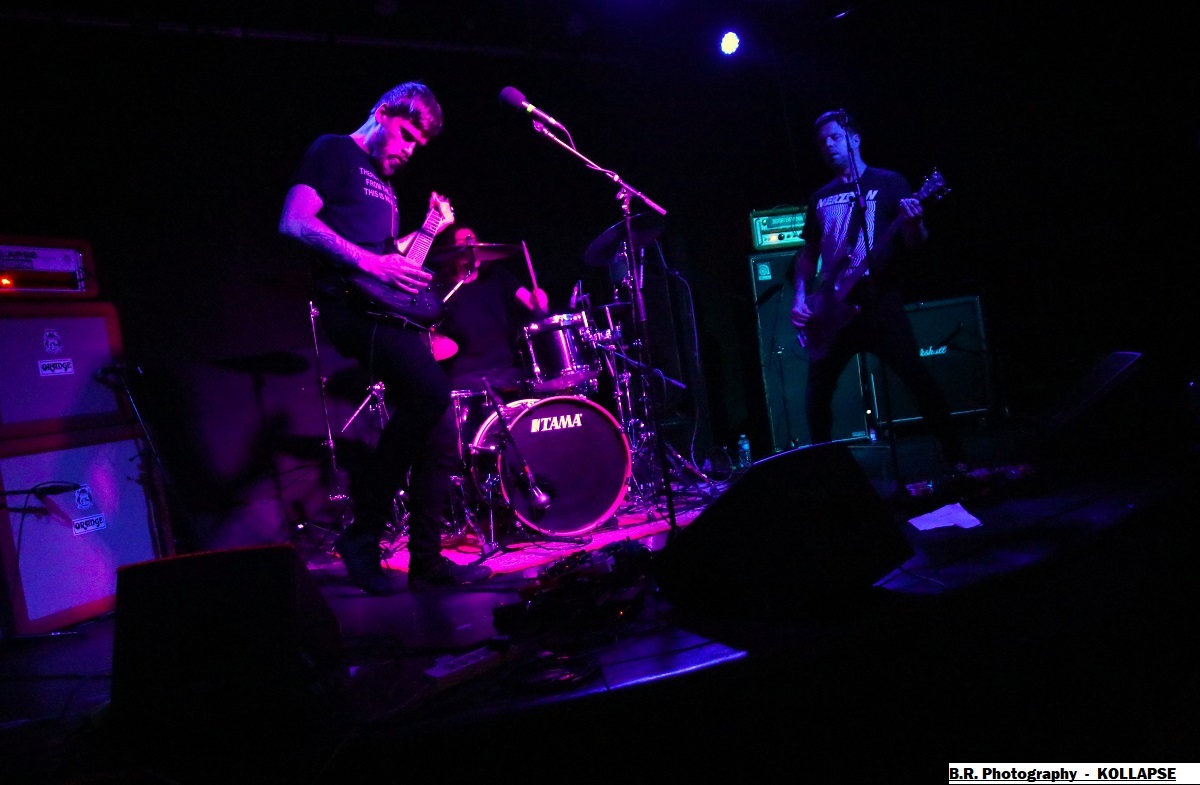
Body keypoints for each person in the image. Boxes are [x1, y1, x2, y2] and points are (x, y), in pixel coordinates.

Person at [278, 81, 492, 594]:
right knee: (430, 395)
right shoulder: (334, 151)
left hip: (387, 312)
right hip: (350, 310)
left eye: (420, 144)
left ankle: (426, 562)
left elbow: (392, 265)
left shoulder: (387, 188)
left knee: (440, 432)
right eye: (407, 135)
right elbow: (294, 221)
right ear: (382, 112)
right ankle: (362, 533)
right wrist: (371, 263)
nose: (410, 150)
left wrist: (429, 229)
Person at [790, 109, 970, 474]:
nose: (828, 145)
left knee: (917, 379)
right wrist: (799, 298)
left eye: (835, 137)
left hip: (879, 301)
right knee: (817, 397)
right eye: (822, 142)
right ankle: (824, 473)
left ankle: (958, 459)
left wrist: (915, 223)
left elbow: (915, 244)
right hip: (832, 307)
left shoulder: (889, 182)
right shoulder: (820, 197)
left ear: (855, 139)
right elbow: (808, 255)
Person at [435, 225, 550, 397]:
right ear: (451, 252)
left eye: (473, 241)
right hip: (464, 376)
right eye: (462, 243)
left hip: (504, 371)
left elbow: (537, 308)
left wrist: (541, 303)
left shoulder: (497, 276)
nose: (470, 246)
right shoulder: (442, 288)